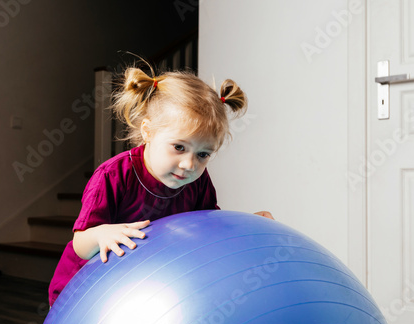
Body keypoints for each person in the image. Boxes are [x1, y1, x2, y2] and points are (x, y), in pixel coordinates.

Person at [48, 62, 273, 307]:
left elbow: (210, 230)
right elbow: (80, 244)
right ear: (148, 131)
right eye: (179, 147)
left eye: (203, 154)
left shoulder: (198, 182)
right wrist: (102, 233)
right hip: (81, 291)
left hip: (142, 289)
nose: (189, 164)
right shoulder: (112, 175)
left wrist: (246, 225)